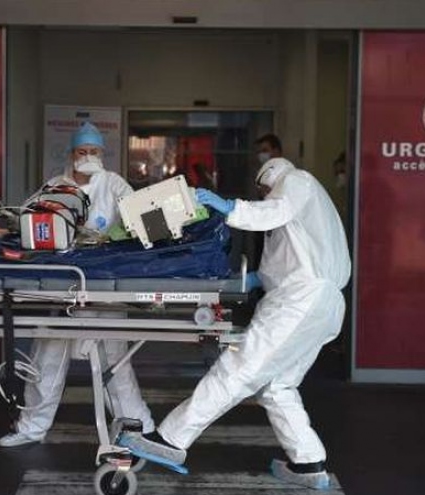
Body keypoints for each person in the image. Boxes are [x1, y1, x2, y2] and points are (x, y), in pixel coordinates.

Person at [122, 156, 350, 490]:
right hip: (321, 304)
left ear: (270, 176)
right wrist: (255, 278)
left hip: (300, 301)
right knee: (278, 386)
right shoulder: (308, 208)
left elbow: (275, 211)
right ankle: (308, 462)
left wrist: (230, 207)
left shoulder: (296, 181)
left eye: (262, 190)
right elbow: (288, 258)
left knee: (238, 368)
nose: (263, 195)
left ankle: (171, 438)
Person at [0, 122, 155, 447]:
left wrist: (120, 232)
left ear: (102, 154)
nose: (87, 156)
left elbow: (139, 214)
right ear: (71, 154)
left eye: (93, 151)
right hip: (64, 283)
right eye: (82, 151)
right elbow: (28, 216)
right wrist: (8, 227)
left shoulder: (113, 184)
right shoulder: (56, 185)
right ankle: (31, 428)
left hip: (104, 287)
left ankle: (140, 429)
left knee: (115, 363)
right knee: (47, 358)